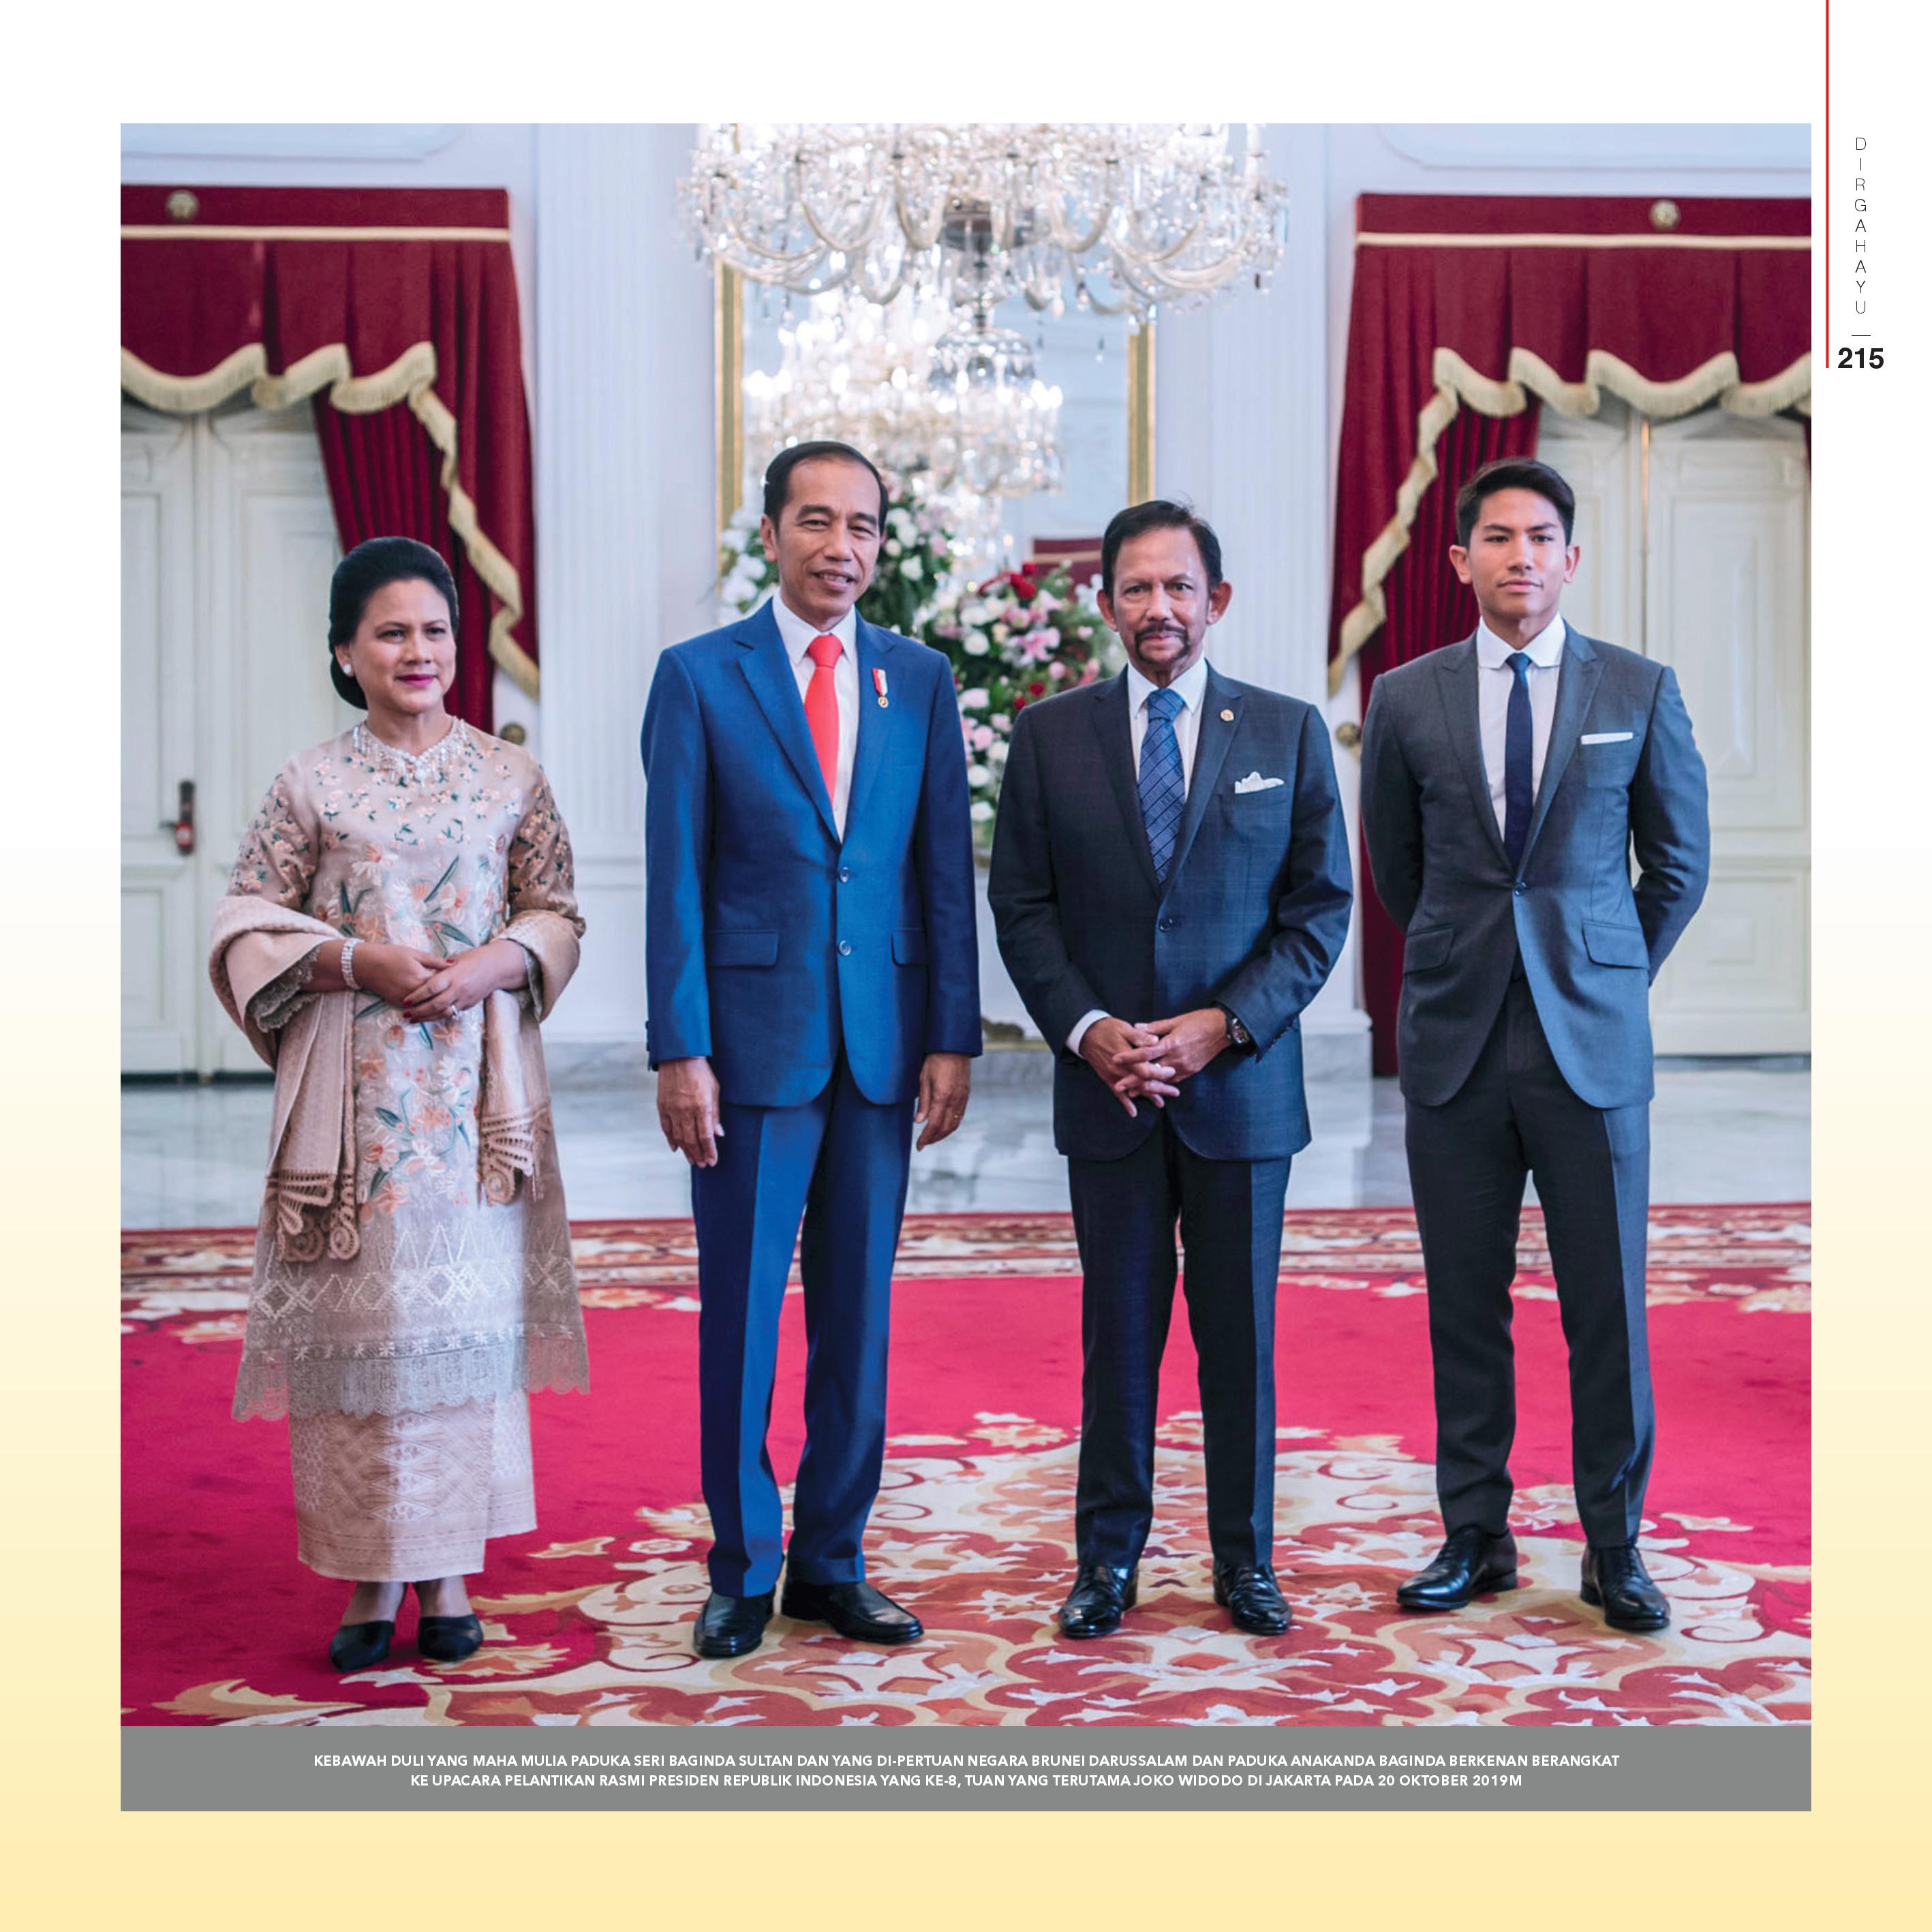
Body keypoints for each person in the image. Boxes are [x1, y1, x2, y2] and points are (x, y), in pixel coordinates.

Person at [209, 536, 589, 1673]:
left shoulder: (510, 775)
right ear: (345, 652)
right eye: (390, 633)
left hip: (477, 1104)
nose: (417, 651)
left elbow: (558, 909)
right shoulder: (309, 783)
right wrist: (350, 961)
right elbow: (245, 920)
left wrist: (497, 965)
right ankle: (370, 1579)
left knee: (458, 1337)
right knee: (365, 1340)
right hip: (354, 1106)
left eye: (434, 630)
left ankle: (450, 1575)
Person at [989, 500, 1351, 1639]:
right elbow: (1023, 908)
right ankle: (1107, 1563)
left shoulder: (1287, 732)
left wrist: (1222, 1026)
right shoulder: (1049, 736)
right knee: (1119, 1343)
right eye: (1138, 589)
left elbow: (1319, 911)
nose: (1160, 609)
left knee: (1240, 1344)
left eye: (1179, 587)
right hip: (1108, 1092)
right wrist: (1087, 1027)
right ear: (1106, 606)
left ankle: (1246, 1562)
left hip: (1240, 1092)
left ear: (1217, 601)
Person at [641, 440, 980, 1659]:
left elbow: (942, 867)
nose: (843, 547)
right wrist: (681, 1049)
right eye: (818, 522)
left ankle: (834, 1560)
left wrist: (952, 1035)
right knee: (740, 1315)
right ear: (773, 533)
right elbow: (675, 878)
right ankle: (742, 1566)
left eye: (864, 527)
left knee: (859, 1317)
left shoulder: (918, 680)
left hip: (882, 1050)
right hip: (748, 1053)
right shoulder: (699, 677)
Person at [1359, 457, 1709, 1632]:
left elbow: (1679, 863)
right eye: (1499, 538)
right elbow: (1397, 869)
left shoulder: (1637, 689)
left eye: (1542, 537)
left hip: (1590, 1044)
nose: (1522, 556)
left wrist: (1606, 971)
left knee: (1606, 1304)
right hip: (1456, 1037)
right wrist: (1468, 956)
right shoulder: (1406, 698)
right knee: (1465, 1301)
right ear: (1462, 560)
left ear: (1571, 557)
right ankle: (1476, 1534)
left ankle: (1615, 1544)